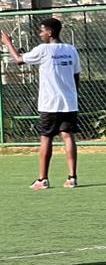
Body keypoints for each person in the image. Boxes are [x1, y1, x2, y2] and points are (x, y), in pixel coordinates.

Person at [2, 18, 81, 189]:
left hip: (50, 103)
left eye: (42, 31)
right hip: (69, 102)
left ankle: (42, 179)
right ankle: (72, 177)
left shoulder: (44, 49)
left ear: (50, 32)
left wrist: (7, 43)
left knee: (46, 138)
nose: (40, 34)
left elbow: (18, 60)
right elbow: (76, 75)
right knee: (68, 136)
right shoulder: (71, 50)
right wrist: (72, 93)